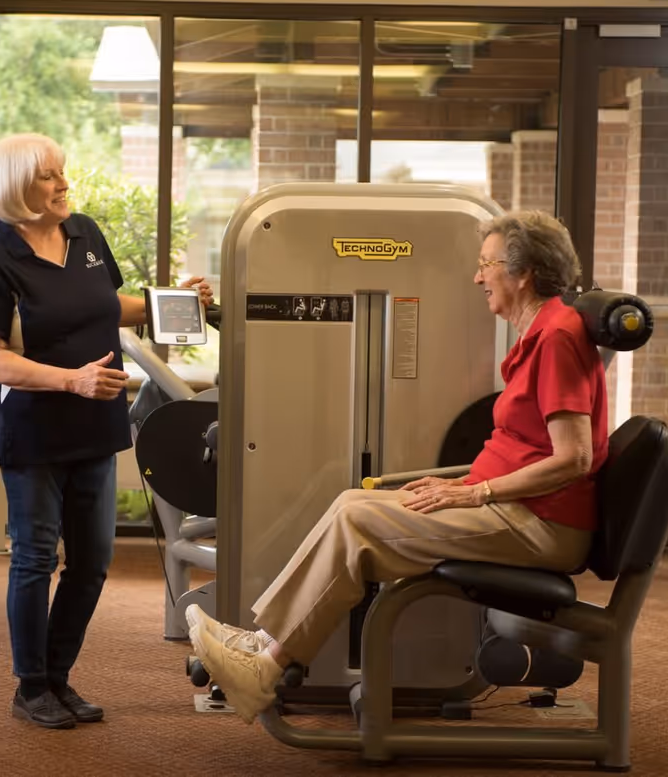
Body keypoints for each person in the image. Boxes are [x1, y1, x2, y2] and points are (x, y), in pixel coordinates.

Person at [187, 209, 607, 725]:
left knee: (358, 522)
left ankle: (267, 666)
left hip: (538, 523)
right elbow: (529, 443)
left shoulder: (559, 337)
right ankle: (262, 643)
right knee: (350, 501)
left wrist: (476, 493)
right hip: (513, 507)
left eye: (486, 264)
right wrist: (467, 482)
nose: (477, 277)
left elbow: (574, 458)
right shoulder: (540, 333)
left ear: (523, 273)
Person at [0, 132, 214, 730]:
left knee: (94, 559)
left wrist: (171, 301)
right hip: (32, 429)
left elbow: (105, 304)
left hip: (95, 425)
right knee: (35, 557)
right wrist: (68, 380)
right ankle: (31, 687)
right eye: (49, 176)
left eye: (61, 173)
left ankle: (59, 677)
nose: (63, 183)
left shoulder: (85, 233)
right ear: (19, 186)